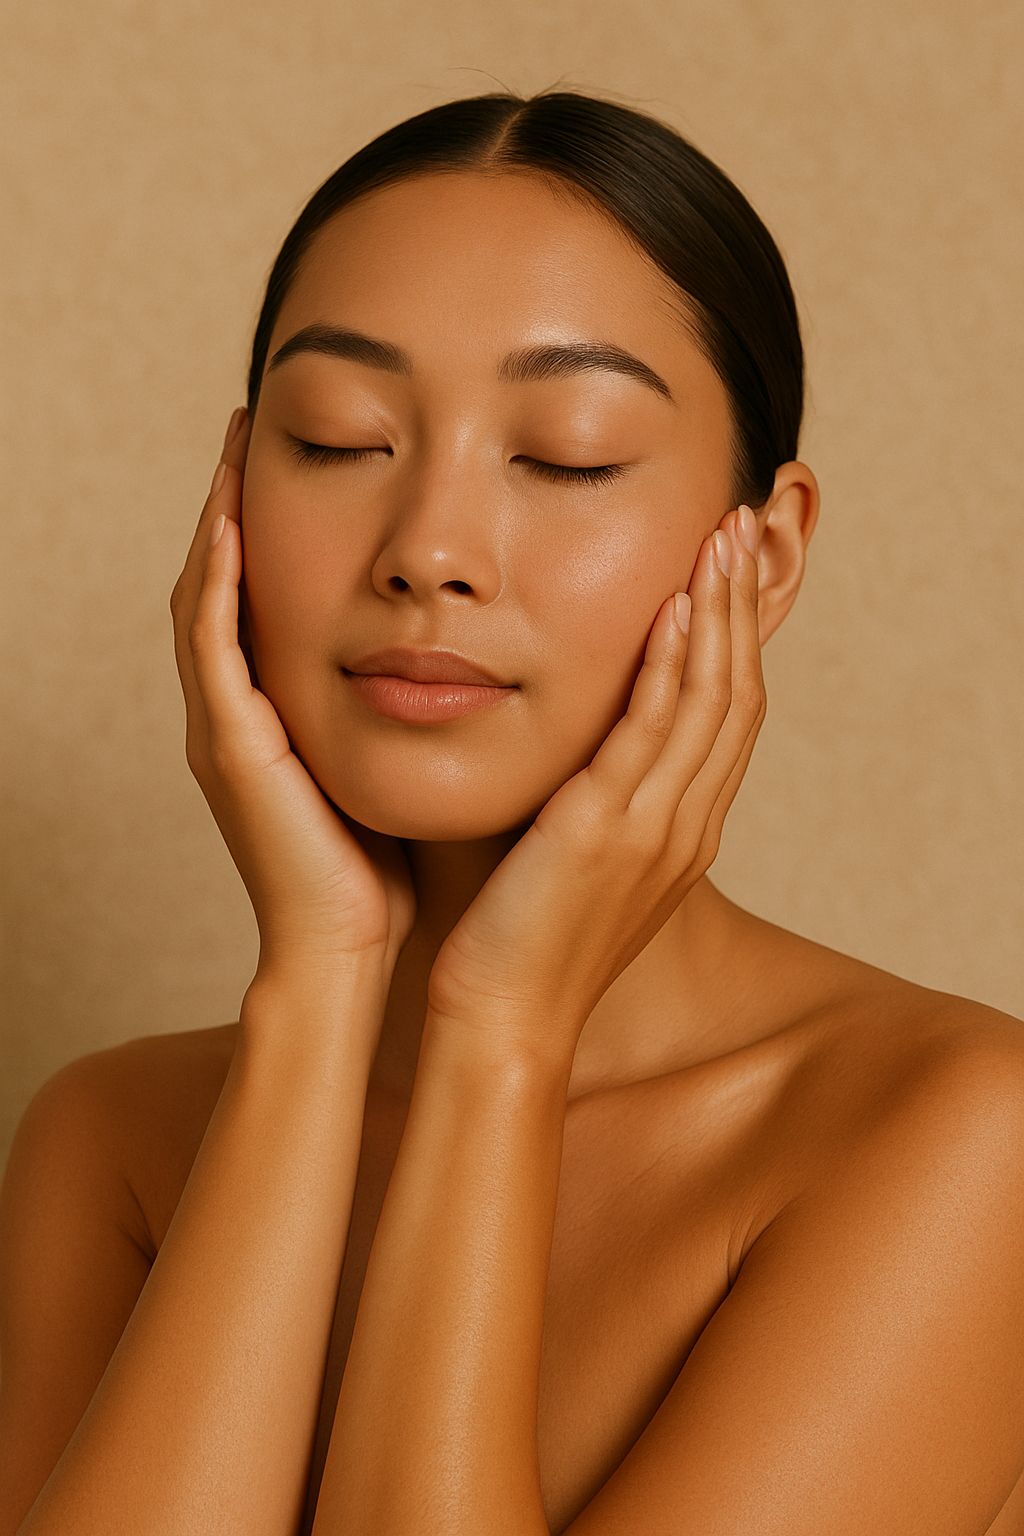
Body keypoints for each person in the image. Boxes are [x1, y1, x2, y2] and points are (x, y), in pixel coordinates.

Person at [3, 89, 1022, 1536]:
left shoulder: (959, 1140)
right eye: (339, 438)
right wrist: (318, 995)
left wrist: (501, 1037)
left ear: (770, 550)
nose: (428, 550)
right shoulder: (108, 1140)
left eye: (569, 456)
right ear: (231, 492)